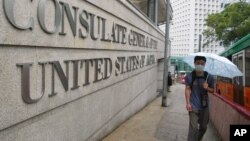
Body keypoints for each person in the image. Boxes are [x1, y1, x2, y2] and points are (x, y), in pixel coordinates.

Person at [185, 56, 214, 141]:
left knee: (204, 127)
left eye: (202, 63)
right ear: (194, 63)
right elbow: (187, 89)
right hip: (193, 106)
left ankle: (199, 138)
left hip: (205, 107)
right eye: (198, 63)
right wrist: (188, 103)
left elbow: (213, 91)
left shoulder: (209, 77)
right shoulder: (190, 76)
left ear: (205, 64)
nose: (200, 65)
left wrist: (207, 88)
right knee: (193, 128)